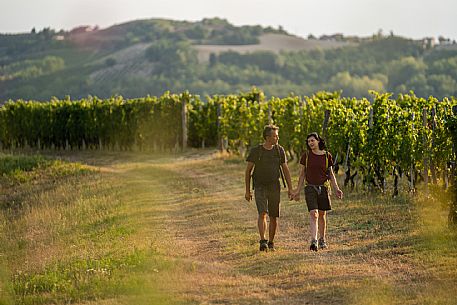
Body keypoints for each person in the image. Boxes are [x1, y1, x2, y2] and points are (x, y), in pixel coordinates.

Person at [245, 125, 293, 252]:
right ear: (267, 137)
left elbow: (285, 169)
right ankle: (263, 241)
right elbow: (248, 171)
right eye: (275, 136)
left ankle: (271, 242)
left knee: (273, 216)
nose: (277, 138)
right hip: (260, 186)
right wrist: (247, 190)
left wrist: (290, 188)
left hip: (274, 186)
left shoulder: (279, 150)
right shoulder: (256, 151)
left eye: (277, 135)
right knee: (262, 213)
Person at [293, 132, 343, 251]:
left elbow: (331, 174)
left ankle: (322, 239)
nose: (310, 143)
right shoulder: (306, 156)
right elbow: (302, 175)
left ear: (318, 141)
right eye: (309, 141)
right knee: (313, 213)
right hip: (310, 188)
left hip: (324, 188)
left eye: (312, 140)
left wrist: (336, 189)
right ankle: (314, 240)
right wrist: (297, 191)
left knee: (322, 214)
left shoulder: (327, 156)